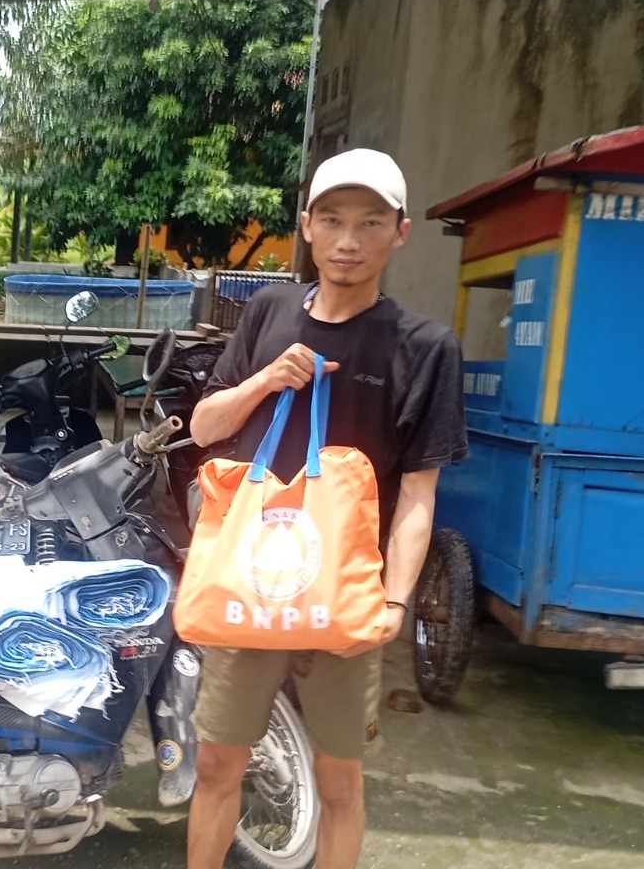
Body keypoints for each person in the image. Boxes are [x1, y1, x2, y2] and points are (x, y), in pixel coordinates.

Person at [184, 148, 468, 869]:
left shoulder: (425, 348)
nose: (349, 241)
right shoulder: (270, 310)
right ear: (306, 226)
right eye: (333, 220)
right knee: (219, 766)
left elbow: (418, 494)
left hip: (345, 593)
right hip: (250, 584)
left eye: (371, 222)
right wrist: (264, 383)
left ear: (400, 232)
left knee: (339, 778)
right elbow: (205, 428)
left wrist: (394, 606)